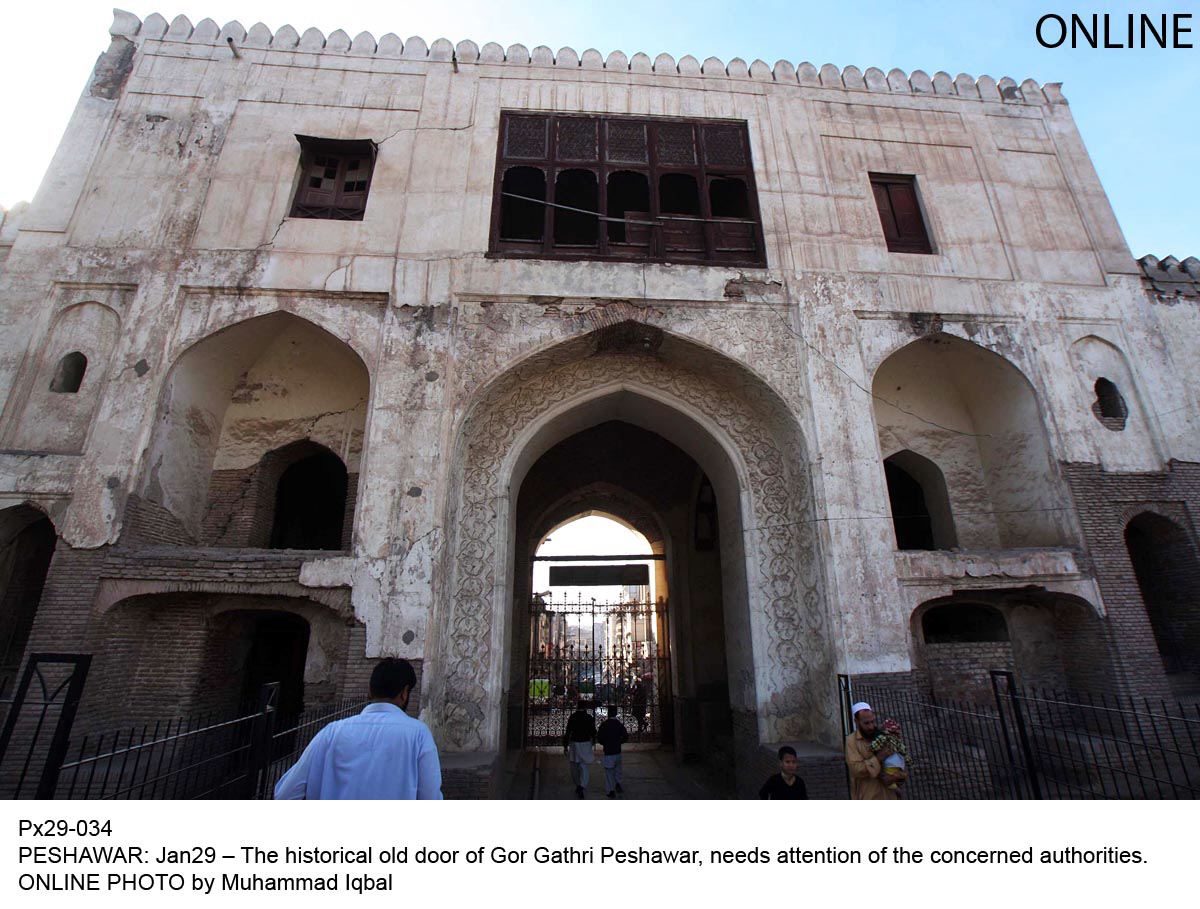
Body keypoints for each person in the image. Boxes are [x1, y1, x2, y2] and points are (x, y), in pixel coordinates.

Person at [274, 657, 442, 800]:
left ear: (369, 691)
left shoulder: (332, 732)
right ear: (405, 693)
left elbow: (285, 794)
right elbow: (430, 797)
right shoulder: (418, 735)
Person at [845, 701, 899, 800]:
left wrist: (895, 777)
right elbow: (856, 769)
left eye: (872, 722)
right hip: (867, 795)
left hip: (889, 795)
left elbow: (899, 764)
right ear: (856, 722)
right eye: (866, 723)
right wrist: (878, 758)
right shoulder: (851, 741)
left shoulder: (883, 736)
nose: (871, 727)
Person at [562, 700, 596, 798]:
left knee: (574, 765)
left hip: (574, 743)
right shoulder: (589, 718)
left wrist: (565, 745)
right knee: (584, 765)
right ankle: (582, 785)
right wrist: (593, 742)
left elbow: (568, 732)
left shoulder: (572, 717)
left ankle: (578, 784)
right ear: (585, 708)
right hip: (585, 743)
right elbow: (593, 732)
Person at [596, 705, 629, 798]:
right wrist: (619, 742)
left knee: (609, 772)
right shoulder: (619, 724)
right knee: (617, 769)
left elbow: (599, 738)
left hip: (608, 752)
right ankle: (618, 784)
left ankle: (610, 790)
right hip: (617, 751)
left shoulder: (604, 725)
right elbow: (625, 736)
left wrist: (605, 744)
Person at [869, 718, 910, 792]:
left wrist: (871, 748)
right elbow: (905, 753)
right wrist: (909, 762)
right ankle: (893, 785)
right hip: (896, 764)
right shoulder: (897, 743)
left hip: (892, 764)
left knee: (889, 772)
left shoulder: (885, 739)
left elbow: (874, 746)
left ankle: (893, 785)